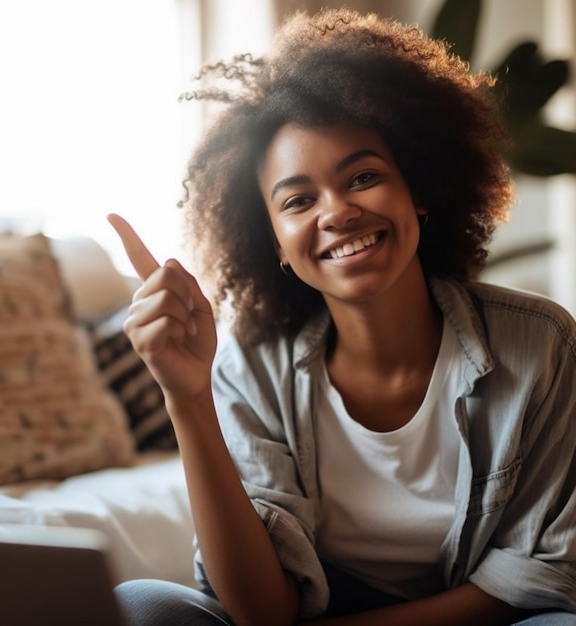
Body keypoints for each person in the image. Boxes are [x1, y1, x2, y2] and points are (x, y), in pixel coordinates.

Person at [109, 8, 576, 626]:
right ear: (272, 239)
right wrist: (186, 398)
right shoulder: (252, 363)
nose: (337, 212)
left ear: (420, 189)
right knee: (143, 606)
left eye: (363, 176)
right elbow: (259, 612)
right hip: (315, 609)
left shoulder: (541, 344)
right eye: (298, 200)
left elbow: (538, 579)